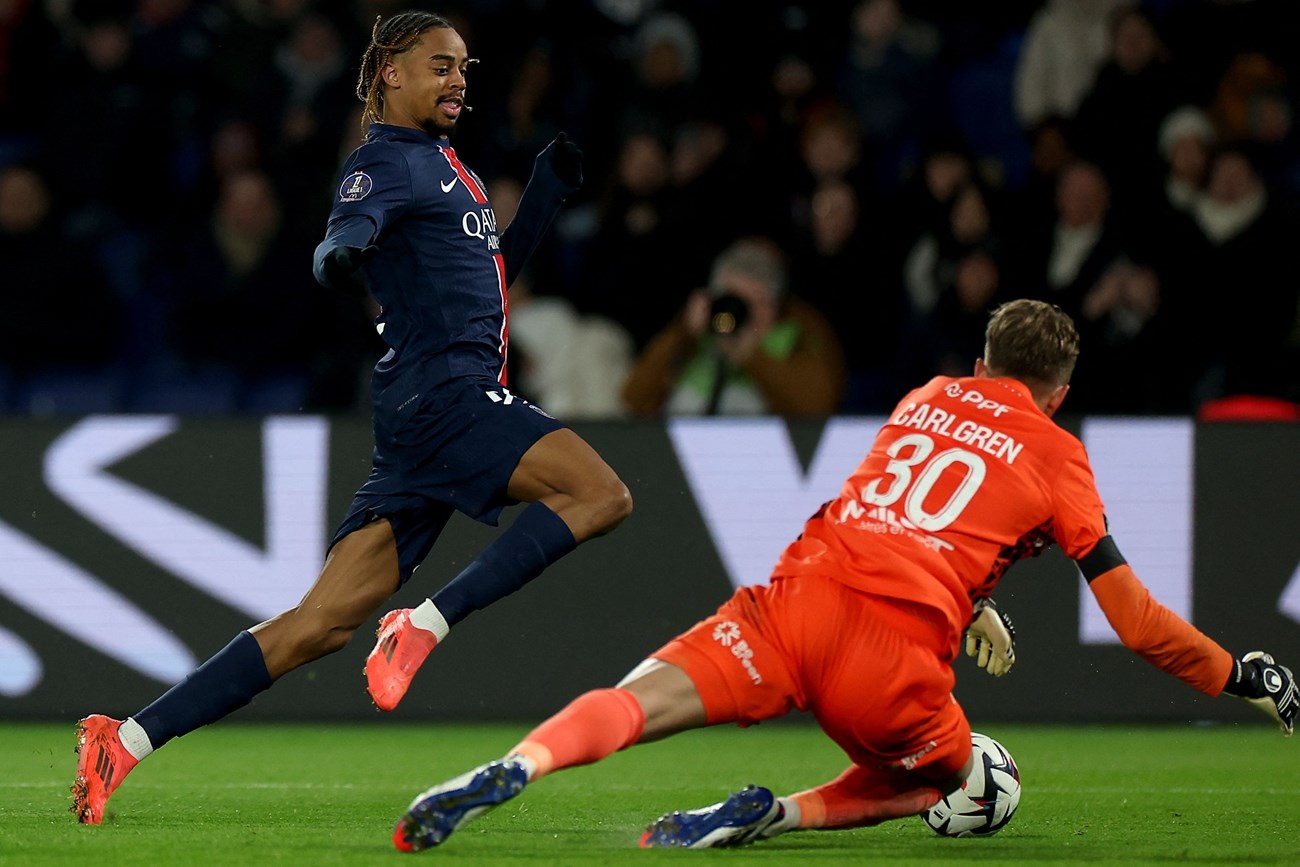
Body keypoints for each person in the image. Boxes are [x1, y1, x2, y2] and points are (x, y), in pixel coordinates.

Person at [388, 299, 1298, 852]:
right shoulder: (1058, 452)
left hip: (794, 601)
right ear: (1059, 393)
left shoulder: (928, 394)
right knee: (958, 781)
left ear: (982, 363)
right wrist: (1238, 672)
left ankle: (514, 763)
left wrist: (971, 592)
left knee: (634, 702)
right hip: (891, 659)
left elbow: (910, 507)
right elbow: (1136, 622)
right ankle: (773, 815)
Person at [70, 10, 632, 825]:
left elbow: (485, 274)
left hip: (421, 413)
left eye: (464, 68)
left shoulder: (446, 165)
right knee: (602, 493)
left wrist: (544, 194)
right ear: (390, 73)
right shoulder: (386, 162)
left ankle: (124, 738)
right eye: (440, 65)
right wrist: (340, 252)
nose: (458, 80)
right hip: (447, 397)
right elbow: (347, 233)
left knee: (318, 623)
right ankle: (426, 622)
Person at [620, 235, 847, 417]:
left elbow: (819, 409)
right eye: (729, 299)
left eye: (748, 304)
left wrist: (753, 357)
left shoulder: (796, 337)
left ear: (770, 307)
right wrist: (682, 335)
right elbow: (633, 398)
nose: (735, 313)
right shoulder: (691, 338)